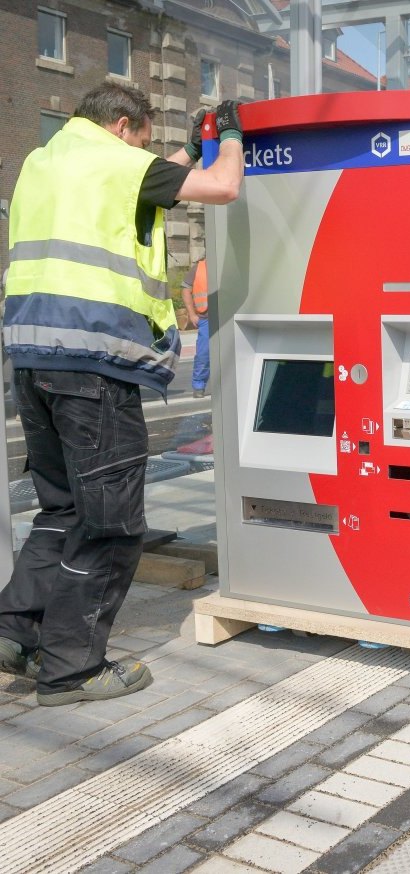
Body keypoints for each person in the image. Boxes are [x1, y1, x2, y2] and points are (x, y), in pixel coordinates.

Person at [0, 82, 245, 706]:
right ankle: (71, 669)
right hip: (93, 364)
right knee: (110, 524)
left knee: (61, 510)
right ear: (123, 125)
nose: (145, 150)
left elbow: (142, 189)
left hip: (31, 359)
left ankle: (13, 637)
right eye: (144, 137)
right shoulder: (117, 161)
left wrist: (187, 152)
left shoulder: (44, 161)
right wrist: (233, 136)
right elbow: (223, 188)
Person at [182, 255, 210, 398]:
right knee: (204, 354)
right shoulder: (198, 268)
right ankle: (199, 386)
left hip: (227, 317)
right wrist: (192, 314)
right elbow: (186, 290)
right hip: (206, 318)